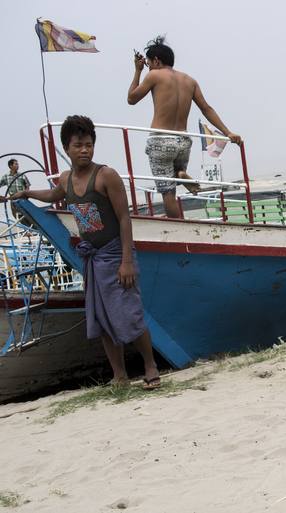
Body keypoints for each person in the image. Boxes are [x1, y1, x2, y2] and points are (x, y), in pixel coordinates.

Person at [4, 116, 161, 389]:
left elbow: (124, 218)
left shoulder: (106, 176)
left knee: (129, 313)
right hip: (91, 257)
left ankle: (150, 366)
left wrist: (127, 261)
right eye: (78, 145)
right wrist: (25, 194)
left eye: (89, 145)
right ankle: (120, 376)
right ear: (67, 148)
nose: (85, 150)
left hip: (114, 254)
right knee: (101, 318)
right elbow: (53, 196)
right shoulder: (66, 180)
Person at [127, 36, 242, 218]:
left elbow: (131, 99)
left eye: (148, 63)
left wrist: (137, 71)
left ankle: (179, 225)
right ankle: (180, 172)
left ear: (157, 60)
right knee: (173, 177)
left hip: (161, 139)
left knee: (168, 192)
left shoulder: (154, 75)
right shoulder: (190, 80)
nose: (147, 66)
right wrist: (228, 132)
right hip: (183, 141)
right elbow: (206, 108)